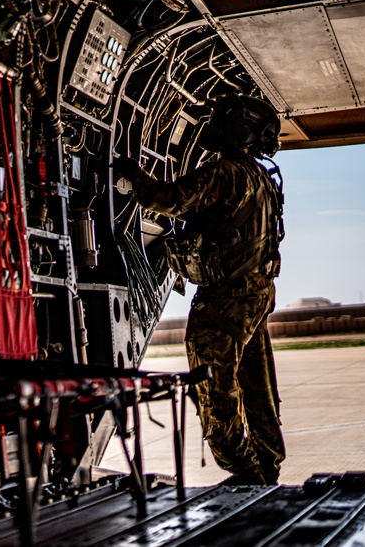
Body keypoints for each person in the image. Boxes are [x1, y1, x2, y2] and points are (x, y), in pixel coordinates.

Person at [113, 93, 286, 485]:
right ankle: (267, 462)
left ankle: (244, 469)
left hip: (224, 301)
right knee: (257, 385)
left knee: (215, 389)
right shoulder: (262, 179)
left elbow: (167, 200)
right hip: (256, 295)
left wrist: (130, 172)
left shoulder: (225, 172)